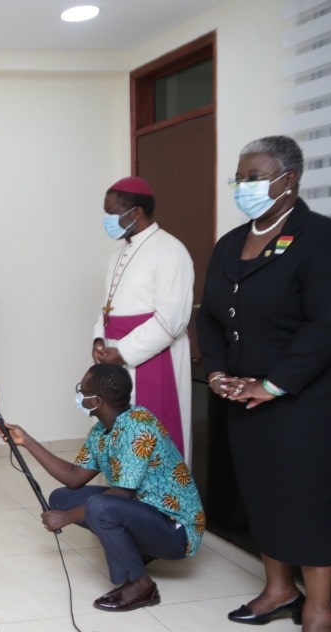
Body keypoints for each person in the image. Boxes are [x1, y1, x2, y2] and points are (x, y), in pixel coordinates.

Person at [197, 135, 331, 632]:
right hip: (244, 397)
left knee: (309, 501)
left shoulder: (324, 238)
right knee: (261, 494)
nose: (244, 186)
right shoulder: (230, 242)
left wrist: (274, 383)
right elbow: (210, 316)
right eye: (240, 177)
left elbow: (330, 323)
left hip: (307, 402)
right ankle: (279, 589)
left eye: (254, 176)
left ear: (289, 179)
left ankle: (321, 613)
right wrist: (217, 371)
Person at [0, 364, 204, 611]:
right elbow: (75, 478)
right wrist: (27, 441)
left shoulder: (138, 426)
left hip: (176, 531)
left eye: (82, 391)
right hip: (145, 511)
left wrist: (65, 519)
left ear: (96, 400)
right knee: (63, 498)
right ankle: (139, 549)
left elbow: (122, 494)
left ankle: (140, 586)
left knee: (99, 506)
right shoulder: (101, 431)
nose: (79, 395)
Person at [93, 176, 194, 462]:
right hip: (115, 359)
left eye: (111, 212)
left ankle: (157, 504)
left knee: (152, 441)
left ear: (135, 212)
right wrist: (99, 338)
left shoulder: (171, 250)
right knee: (121, 439)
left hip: (153, 360)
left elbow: (172, 320)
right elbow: (106, 307)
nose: (107, 219)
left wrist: (123, 351)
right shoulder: (118, 254)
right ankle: (119, 501)